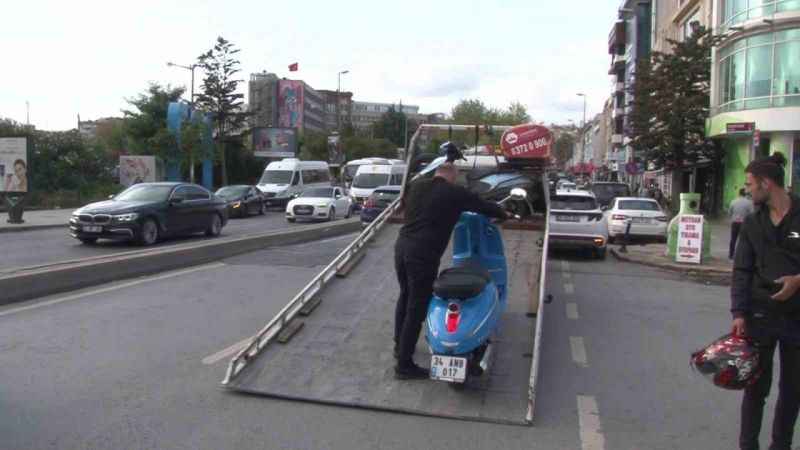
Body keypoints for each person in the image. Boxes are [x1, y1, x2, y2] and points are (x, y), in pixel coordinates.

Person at [393, 159, 509, 380]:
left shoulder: (417, 186)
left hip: (402, 247)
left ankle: (399, 346)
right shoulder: (454, 193)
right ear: (453, 176)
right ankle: (403, 365)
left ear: (437, 172)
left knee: (405, 296)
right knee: (417, 308)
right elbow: (482, 205)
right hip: (423, 253)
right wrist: (504, 213)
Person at [731, 152, 800, 450]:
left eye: (750, 184)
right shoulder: (752, 223)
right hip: (760, 316)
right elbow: (742, 270)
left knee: (792, 391)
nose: (747, 190)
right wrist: (739, 313)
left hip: (797, 318)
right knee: (755, 388)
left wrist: (798, 281)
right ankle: (748, 446)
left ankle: (780, 446)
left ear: (767, 183)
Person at [729, 188, 755, 260]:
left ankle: (731, 255)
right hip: (744, 223)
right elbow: (752, 213)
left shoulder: (733, 201)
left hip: (734, 223)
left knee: (733, 239)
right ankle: (742, 256)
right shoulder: (749, 203)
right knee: (743, 240)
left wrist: (733, 218)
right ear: (745, 194)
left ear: (739, 193)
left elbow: (730, 212)